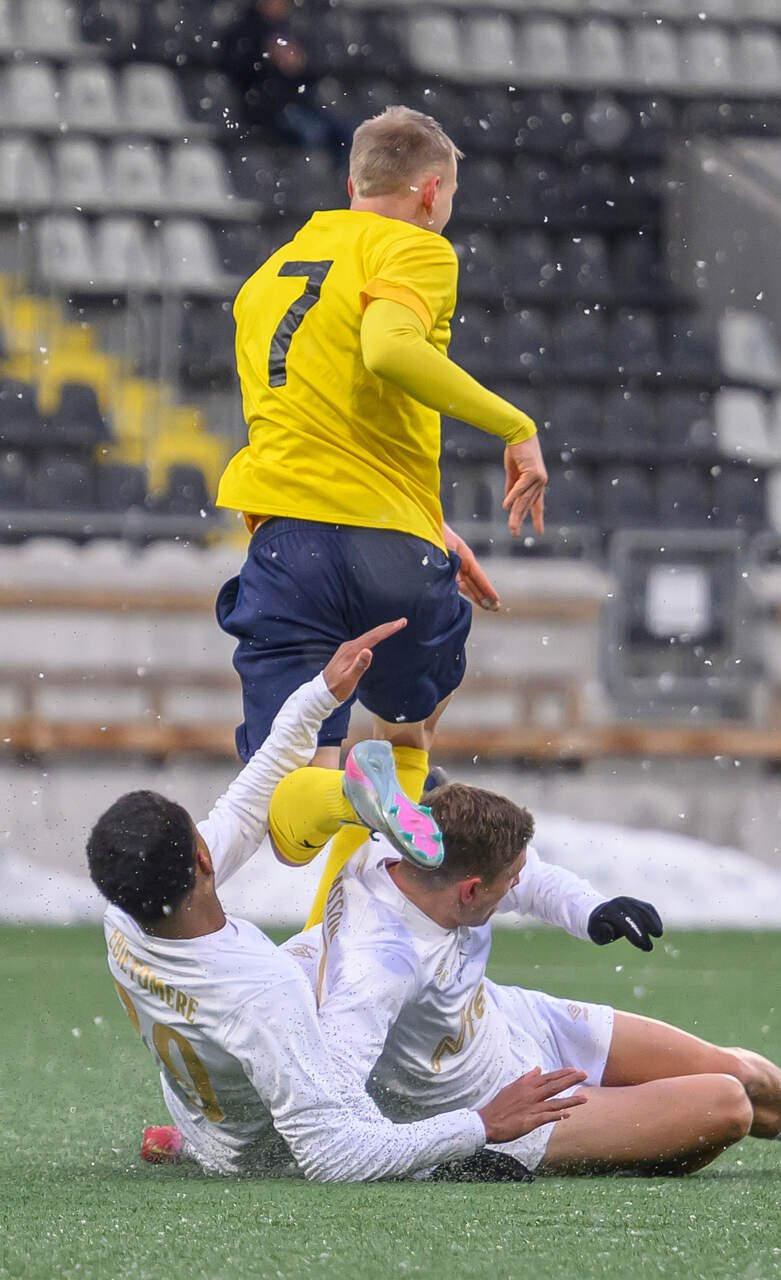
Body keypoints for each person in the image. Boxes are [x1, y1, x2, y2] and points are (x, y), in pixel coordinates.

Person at [87, 622, 584, 1182]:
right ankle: (354, 805)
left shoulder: (124, 914)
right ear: (202, 859)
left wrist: (321, 694)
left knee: (316, 956)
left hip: (208, 1115)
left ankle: (355, 803)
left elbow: (247, 806)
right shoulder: (262, 993)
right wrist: (476, 1126)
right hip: (261, 1157)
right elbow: (332, 1155)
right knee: (341, 1001)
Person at [213, 104, 549, 926]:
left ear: (351, 183)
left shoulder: (266, 280)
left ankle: (342, 808)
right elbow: (391, 351)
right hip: (389, 548)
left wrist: (428, 521)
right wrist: (516, 426)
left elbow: (324, 421)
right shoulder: (414, 246)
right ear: (432, 192)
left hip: (288, 543)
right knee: (404, 733)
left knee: (290, 804)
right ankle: (367, 920)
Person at [280, 782, 781, 1177]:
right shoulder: (378, 970)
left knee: (740, 1072)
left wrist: (591, 909)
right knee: (727, 1105)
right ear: (467, 892)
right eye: (508, 885)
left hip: (511, 1021)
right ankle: (540, 1157)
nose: (525, 887)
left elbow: (532, 875)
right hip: (510, 1108)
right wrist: (473, 1130)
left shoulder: (401, 844)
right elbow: (330, 1139)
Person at [220, 0, 353, 157]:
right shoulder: (245, 31)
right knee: (311, 134)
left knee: (345, 136)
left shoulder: (291, 30)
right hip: (266, 107)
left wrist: (299, 62)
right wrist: (267, 57)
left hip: (298, 103)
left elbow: (311, 71)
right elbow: (239, 68)